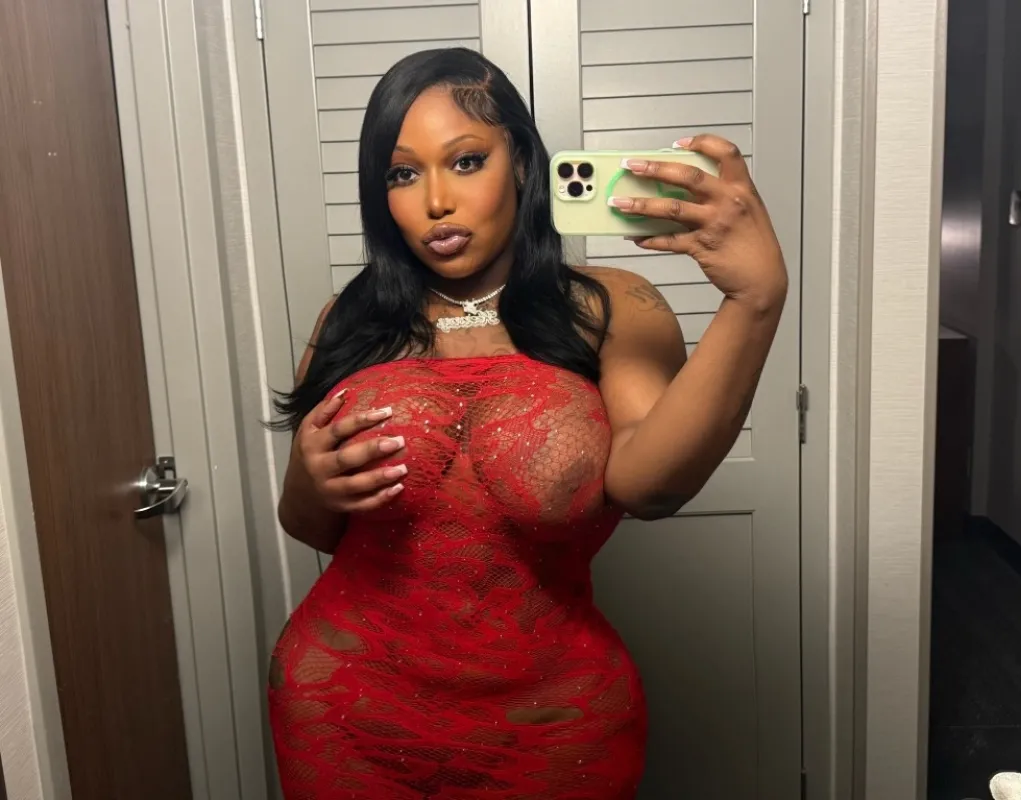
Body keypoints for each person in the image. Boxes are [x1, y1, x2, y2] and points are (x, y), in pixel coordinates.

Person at [267, 47, 786, 800]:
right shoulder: (350, 321)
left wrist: (754, 303)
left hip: (555, 724)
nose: (435, 201)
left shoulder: (610, 304)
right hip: (342, 705)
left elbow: (651, 486)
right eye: (402, 174)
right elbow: (314, 527)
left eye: (466, 161)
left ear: (519, 161)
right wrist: (307, 477)